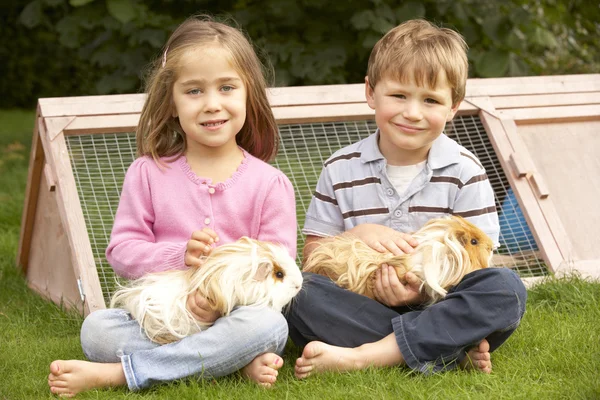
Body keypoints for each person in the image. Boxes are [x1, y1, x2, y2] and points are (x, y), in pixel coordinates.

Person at [48, 15, 297, 396]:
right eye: (194, 91)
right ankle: (225, 361)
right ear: (171, 101)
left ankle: (125, 373)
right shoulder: (147, 174)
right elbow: (122, 253)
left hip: (235, 318)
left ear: (249, 94)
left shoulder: (271, 184)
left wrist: (218, 299)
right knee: (97, 330)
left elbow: (281, 276)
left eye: (227, 87)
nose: (212, 104)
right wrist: (180, 256)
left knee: (269, 327)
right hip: (163, 318)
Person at [286, 19, 527, 378]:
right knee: (298, 292)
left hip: (439, 305)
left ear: (453, 106)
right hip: (359, 303)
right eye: (398, 95)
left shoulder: (465, 172)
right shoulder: (339, 168)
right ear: (371, 92)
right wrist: (358, 235)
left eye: (430, 100)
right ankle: (445, 350)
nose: (412, 112)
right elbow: (312, 259)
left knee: (505, 289)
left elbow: (480, 263)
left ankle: (364, 356)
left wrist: (417, 296)